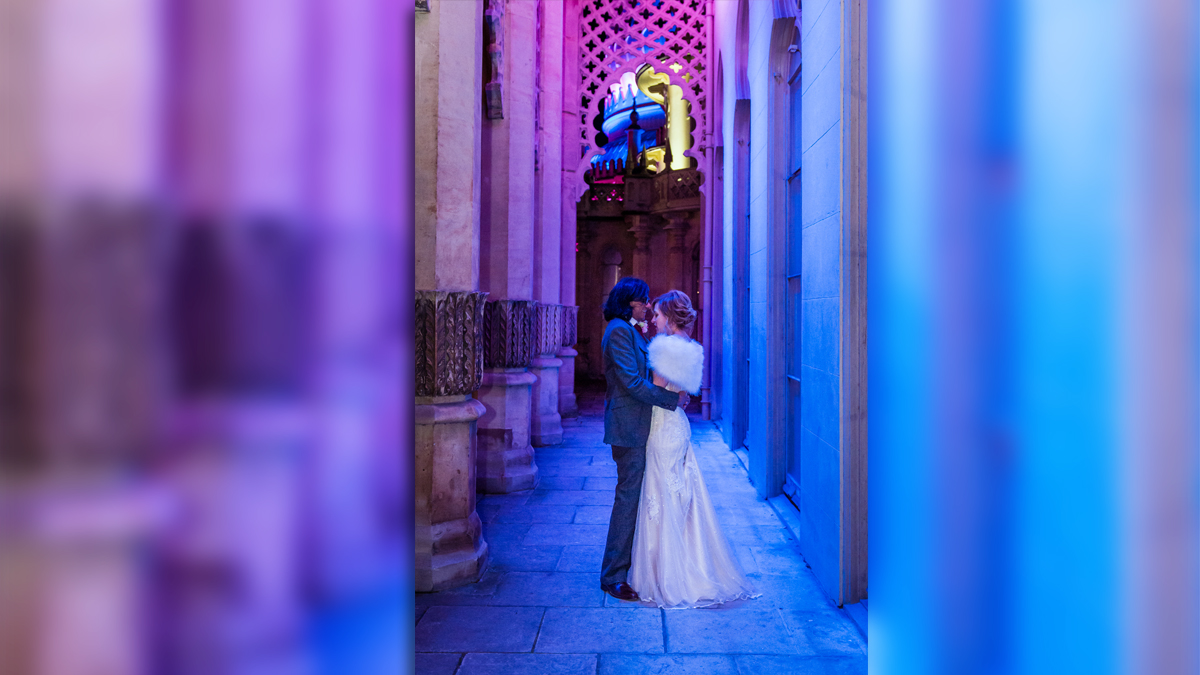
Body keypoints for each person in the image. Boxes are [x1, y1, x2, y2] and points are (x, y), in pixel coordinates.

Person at [628, 290, 759, 608]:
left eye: (657, 314)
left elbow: (656, 389)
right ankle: (692, 565)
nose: (653, 319)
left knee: (661, 493)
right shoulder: (692, 347)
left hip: (662, 425)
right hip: (679, 424)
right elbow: (685, 394)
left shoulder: (663, 346)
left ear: (670, 317)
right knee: (680, 494)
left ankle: (669, 575)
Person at [599, 277, 689, 602]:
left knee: (633, 497)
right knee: (627, 499)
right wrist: (671, 400)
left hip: (637, 425)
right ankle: (612, 576)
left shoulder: (629, 329)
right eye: (643, 300)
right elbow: (633, 383)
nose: (647, 305)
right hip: (628, 428)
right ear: (629, 302)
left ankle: (625, 566)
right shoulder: (619, 330)